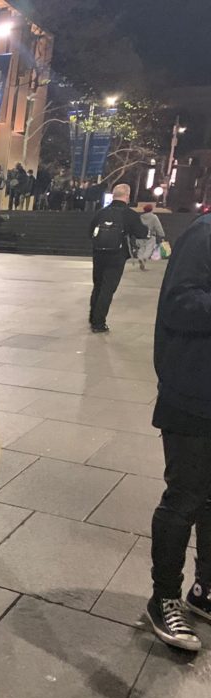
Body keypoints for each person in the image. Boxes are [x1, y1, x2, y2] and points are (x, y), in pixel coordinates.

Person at [145, 209, 211, 652]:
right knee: (185, 497)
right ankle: (164, 597)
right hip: (193, 391)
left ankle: (205, 589)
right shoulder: (204, 234)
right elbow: (179, 304)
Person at [88, 183, 148, 332]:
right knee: (108, 288)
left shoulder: (101, 213)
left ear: (114, 195)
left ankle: (93, 317)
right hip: (117, 255)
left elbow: (90, 232)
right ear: (127, 196)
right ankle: (98, 322)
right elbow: (141, 233)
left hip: (98, 253)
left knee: (98, 285)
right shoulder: (130, 214)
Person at [135, 204, 166, 271]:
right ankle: (144, 258)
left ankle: (140, 258)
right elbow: (158, 226)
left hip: (140, 235)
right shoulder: (154, 217)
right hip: (150, 235)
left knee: (141, 248)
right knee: (149, 248)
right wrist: (161, 234)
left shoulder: (140, 217)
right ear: (151, 209)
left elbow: (136, 226)